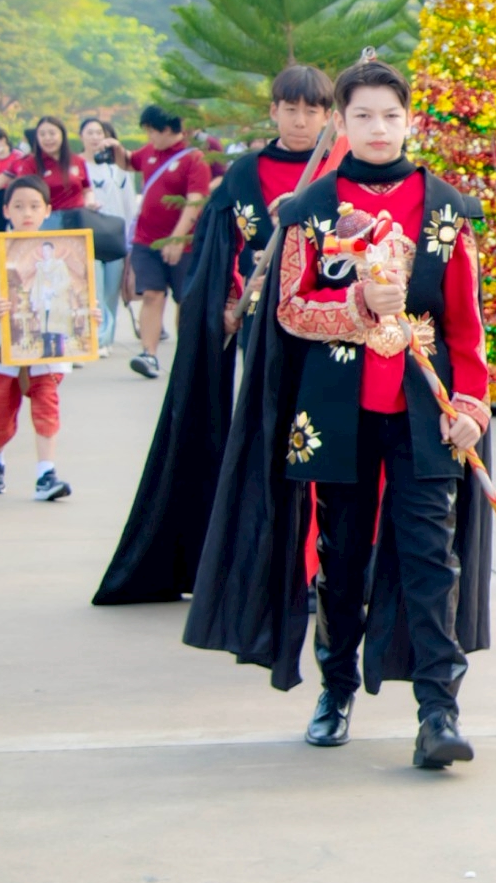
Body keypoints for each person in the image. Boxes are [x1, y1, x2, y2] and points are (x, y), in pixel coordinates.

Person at [184, 57, 496, 772]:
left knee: (432, 560)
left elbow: (466, 323)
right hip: (337, 410)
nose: (378, 128)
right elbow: (290, 308)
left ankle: (439, 711)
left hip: (426, 410)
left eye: (390, 115)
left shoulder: (448, 210)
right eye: (363, 116)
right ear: (341, 123)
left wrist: (471, 405)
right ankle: (335, 688)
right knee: (342, 558)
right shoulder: (311, 209)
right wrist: (358, 304)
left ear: (410, 121)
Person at [97, 66, 336, 606]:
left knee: (325, 449)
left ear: (328, 117)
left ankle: (324, 568)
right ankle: (269, 565)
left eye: (312, 111)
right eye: (290, 109)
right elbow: (221, 250)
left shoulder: (340, 171)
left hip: (332, 334)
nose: (300, 121)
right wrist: (227, 305)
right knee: (269, 443)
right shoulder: (245, 174)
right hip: (263, 331)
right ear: (273, 111)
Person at [0, 175, 74, 501]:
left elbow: (76, 296)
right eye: (19, 206)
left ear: (47, 210)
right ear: (6, 210)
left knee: (47, 406)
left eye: (34, 206)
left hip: (44, 346)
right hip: (1, 349)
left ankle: (46, 474)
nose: (27, 213)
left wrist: (87, 315)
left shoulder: (64, 254)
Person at [126, 104, 211, 379]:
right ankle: (148, 354)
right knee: (152, 294)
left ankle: (184, 358)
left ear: (166, 129)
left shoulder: (194, 158)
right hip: (146, 241)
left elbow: (195, 200)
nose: (149, 137)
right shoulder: (149, 152)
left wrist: (177, 238)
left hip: (183, 244)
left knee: (184, 300)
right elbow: (128, 161)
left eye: (151, 131)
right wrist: (113, 148)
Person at [79, 118, 135, 351]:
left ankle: (107, 338)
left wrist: (130, 241)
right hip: (88, 235)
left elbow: (129, 205)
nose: (94, 137)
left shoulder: (118, 169)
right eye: (89, 132)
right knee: (94, 290)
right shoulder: (77, 166)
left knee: (112, 290)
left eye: (98, 133)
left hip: (114, 236)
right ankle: (96, 338)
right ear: (81, 136)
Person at [13, 115, 90, 211]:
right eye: (42, 134)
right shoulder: (30, 164)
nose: (47, 138)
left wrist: (90, 203)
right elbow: (21, 192)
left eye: (52, 133)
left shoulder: (78, 161)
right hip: (48, 217)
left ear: (62, 135)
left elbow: (87, 189)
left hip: (78, 216)